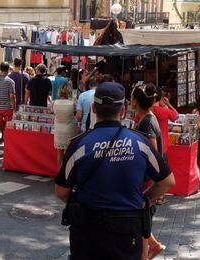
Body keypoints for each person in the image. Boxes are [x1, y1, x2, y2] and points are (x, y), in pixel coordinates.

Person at [55, 82, 175, 259]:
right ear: (123, 111)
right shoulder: (140, 143)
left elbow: (60, 191)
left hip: (87, 232)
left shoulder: (79, 144)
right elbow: (168, 181)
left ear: (94, 108)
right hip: (127, 233)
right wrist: (145, 198)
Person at [131, 83, 166, 259]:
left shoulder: (147, 122)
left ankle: (146, 253)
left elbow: (152, 153)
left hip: (144, 177)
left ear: (136, 101)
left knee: (140, 216)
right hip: (144, 176)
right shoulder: (147, 118)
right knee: (141, 215)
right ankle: (153, 246)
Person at [0, 62, 15, 155]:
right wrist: (14, 108)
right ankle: (7, 148)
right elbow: (12, 97)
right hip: (7, 108)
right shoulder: (10, 81)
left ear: (0, 68)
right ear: (8, 69)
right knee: (8, 127)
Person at [53, 83, 77, 168]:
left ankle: (59, 171)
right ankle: (66, 171)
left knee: (59, 152)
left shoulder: (54, 103)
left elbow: (52, 112)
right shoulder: (72, 103)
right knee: (68, 152)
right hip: (69, 129)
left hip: (58, 130)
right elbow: (76, 114)